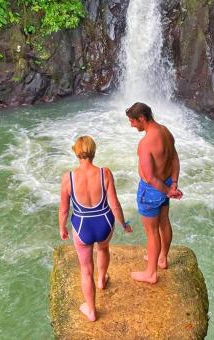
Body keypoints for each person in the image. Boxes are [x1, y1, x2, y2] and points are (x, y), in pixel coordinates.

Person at [59, 135, 132, 322]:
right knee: (103, 248)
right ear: (93, 151)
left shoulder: (68, 178)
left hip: (82, 225)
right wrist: (124, 224)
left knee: (85, 269)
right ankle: (101, 280)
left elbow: (64, 209)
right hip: (105, 223)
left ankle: (91, 310)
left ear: (76, 152)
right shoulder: (104, 173)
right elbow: (114, 204)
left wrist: (62, 228)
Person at [126, 102, 182, 284]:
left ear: (142, 118)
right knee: (164, 224)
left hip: (151, 190)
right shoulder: (165, 131)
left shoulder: (145, 144)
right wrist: (173, 184)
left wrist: (168, 191)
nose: (131, 125)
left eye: (132, 121)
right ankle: (162, 258)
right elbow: (174, 158)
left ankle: (151, 273)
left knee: (151, 233)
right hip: (165, 183)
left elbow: (149, 177)